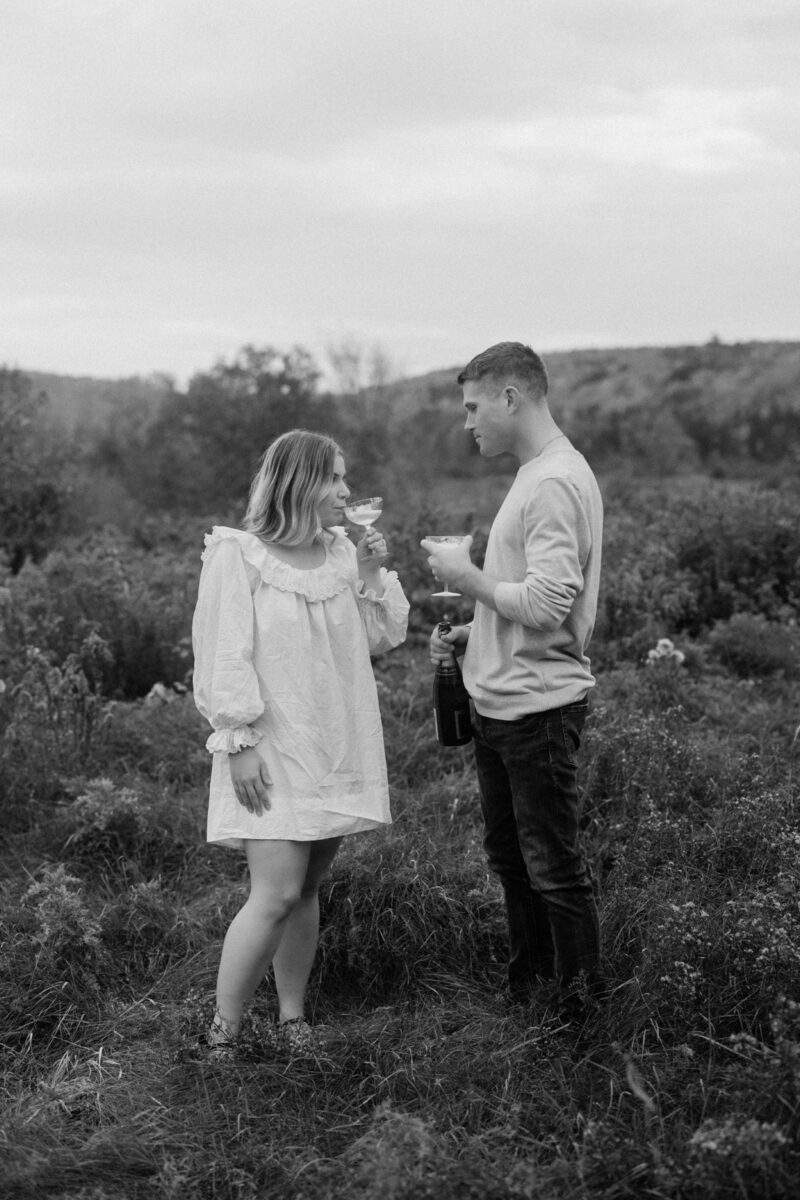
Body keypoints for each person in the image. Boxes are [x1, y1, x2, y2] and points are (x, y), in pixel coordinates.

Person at [192, 429, 409, 1055]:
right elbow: (222, 654)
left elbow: (379, 637)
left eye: (345, 477)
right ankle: (222, 1035)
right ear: (300, 482)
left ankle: (292, 1018)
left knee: (307, 887)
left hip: (333, 740)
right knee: (276, 891)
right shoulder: (239, 555)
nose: (345, 490)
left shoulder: (342, 552)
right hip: (270, 744)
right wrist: (238, 741)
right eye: (334, 478)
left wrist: (370, 569)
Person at [422, 342, 604, 1023]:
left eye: (473, 407)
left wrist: (465, 579)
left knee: (553, 867)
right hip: (505, 703)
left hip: (538, 710)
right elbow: (529, 598)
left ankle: (580, 1017)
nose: (468, 422)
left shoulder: (554, 480)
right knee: (512, 857)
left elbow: (552, 602)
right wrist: (480, 630)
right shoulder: (537, 474)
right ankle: (530, 993)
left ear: (510, 398)